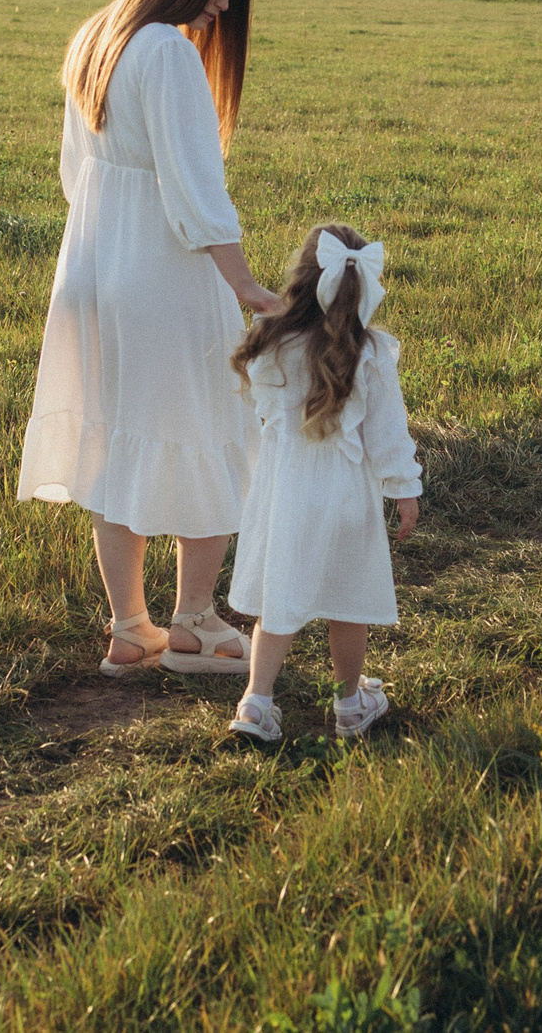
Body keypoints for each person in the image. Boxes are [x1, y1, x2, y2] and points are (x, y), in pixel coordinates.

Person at [18, 0, 284, 677]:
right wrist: (243, 283)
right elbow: (196, 189)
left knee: (121, 440)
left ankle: (130, 628)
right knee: (214, 430)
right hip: (162, 275)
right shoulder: (167, 51)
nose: (223, 7)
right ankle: (195, 622)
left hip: (94, 268)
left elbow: (76, 174)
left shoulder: (95, 35)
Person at [223, 223, 420, 743]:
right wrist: (405, 488)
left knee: (279, 597)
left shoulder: (273, 338)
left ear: (302, 276)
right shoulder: (370, 350)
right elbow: (387, 430)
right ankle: (350, 703)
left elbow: (265, 410)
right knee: (347, 601)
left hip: (285, 489)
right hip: (344, 492)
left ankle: (256, 702)